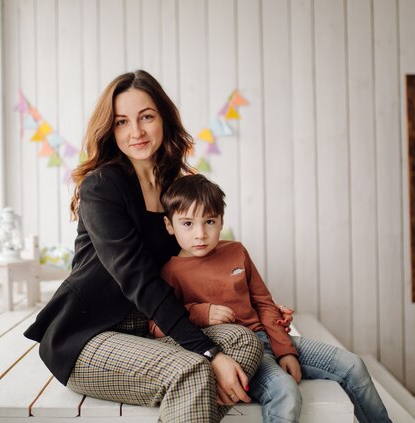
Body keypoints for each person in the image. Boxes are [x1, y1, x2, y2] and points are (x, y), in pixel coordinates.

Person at [24, 70, 294, 422]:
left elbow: (188, 266)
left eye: (146, 117)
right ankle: (188, 396)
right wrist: (210, 352)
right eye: (122, 122)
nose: (135, 132)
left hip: (148, 328)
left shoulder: (173, 187)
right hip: (87, 337)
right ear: (110, 129)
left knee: (243, 342)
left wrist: (259, 312)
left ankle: (184, 409)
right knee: (194, 369)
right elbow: (138, 279)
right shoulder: (101, 186)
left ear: (163, 118)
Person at [149, 174, 392, 423]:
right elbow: (158, 326)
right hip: (237, 355)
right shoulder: (171, 271)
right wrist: (202, 312)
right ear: (169, 225)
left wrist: (285, 350)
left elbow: (263, 302)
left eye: (209, 221)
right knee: (285, 392)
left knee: (353, 365)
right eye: (187, 224)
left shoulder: (236, 251)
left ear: (221, 221)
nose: (200, 234)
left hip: (269, 338)